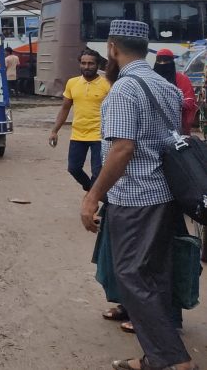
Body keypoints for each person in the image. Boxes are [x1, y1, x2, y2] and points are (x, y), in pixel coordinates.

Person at [79, 20, 195, 370]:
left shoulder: (123, 90)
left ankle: (173, 360)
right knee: (154, 274)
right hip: (166, 192)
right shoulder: (167, 86)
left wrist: (91, 197)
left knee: (131, 276)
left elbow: (122, 149)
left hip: (136, 196)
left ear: (112, 47)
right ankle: (156, 356)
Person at [50, 49, 111, 191]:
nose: (87, 66)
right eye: (83, 63)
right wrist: (54, 131)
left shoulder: (107, 84)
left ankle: (93, 201)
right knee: (73, 168)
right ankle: (90, 190)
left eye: (91, 63)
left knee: (98, 172)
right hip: (78, 134)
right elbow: (65, 108)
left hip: (99, 136)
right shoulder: (72, 83)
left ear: (97, 65)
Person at [154, 49, 196, 135]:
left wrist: (170, 103)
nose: (162, 64)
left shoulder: (182, 79)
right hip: (152, 126)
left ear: (172, 62)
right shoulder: (150, 77)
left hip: (176, 129)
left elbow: (190, 102)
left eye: (166, 60)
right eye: (159, 60)